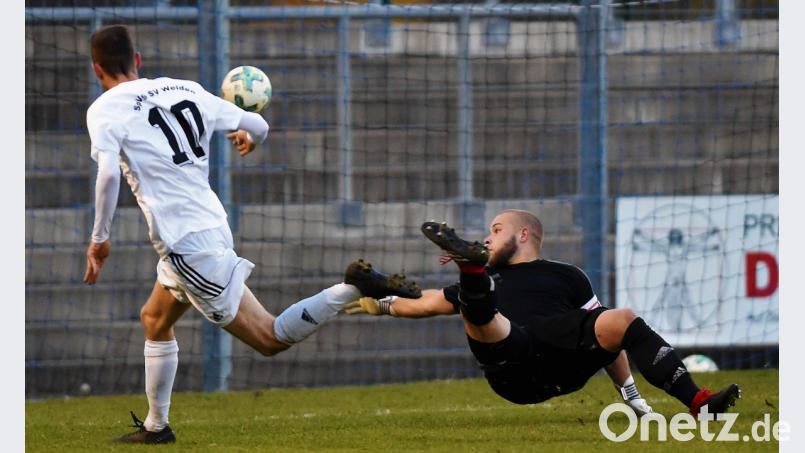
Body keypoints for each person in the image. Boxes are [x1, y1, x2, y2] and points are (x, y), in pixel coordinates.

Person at [83, 25, 421, 444]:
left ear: (97, 68)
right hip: (206, 226)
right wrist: (247, 136)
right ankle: (156, 427)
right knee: (154, 319)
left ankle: (352, 289)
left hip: (186, 244)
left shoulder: (104, 110)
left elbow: (108, 173)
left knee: (269, 337)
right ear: (138, 60)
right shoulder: (183, 87)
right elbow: (256, 124)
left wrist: (100, 238)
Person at [346, 209, 740, 415]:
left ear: (522, 235)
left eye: (496, 230)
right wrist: (381, 303)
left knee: (622, 318)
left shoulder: (568, 276)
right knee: (477, 310)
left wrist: (632, 397)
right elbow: (427, 302)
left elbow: (608, 335)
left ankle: (699, 403)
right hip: (513, 368)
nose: (488, 234)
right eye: (486, 233)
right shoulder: (494, 278)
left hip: (562, 361)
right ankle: (470, 269)